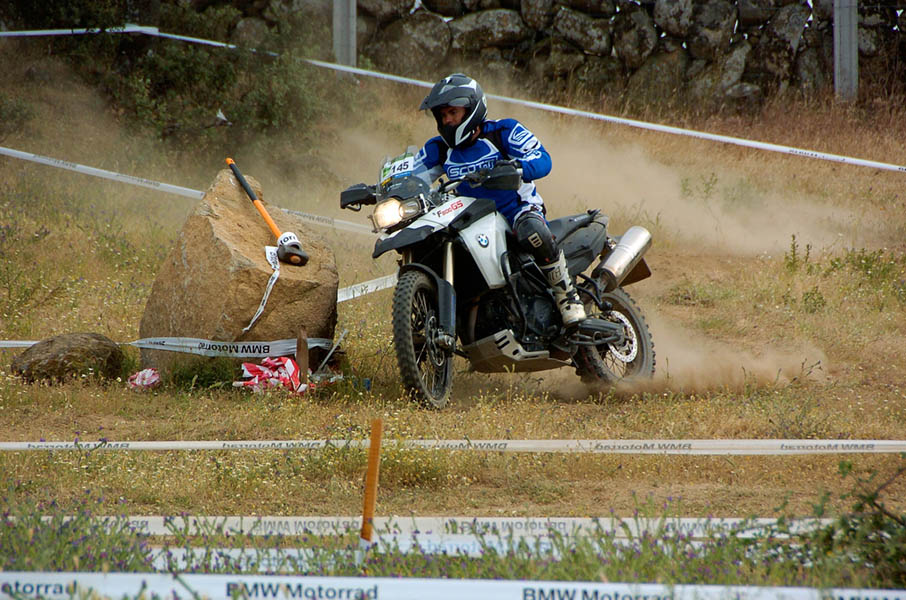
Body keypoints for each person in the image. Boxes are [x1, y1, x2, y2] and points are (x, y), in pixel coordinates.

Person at [413, 73, 586, 327]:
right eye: (442, 115)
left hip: (516, 210)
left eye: (452, 112)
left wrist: (516, 167)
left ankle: (567, 295)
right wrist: (379, 188)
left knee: (532, 229)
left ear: (471, 110)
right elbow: (411, 173)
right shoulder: (438, 149)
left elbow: (542, 158)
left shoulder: (504, 131)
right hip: (468, 217)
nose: (447, 120)